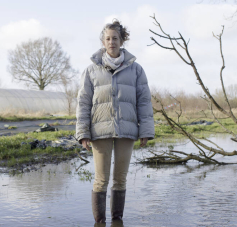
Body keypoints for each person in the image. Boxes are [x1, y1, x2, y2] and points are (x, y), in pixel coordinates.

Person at [76, 19, 155, 224]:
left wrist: (145, 130)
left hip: (127, 130)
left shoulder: (136, 70)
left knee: (120, 179)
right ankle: (100, 222)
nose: (111, 42)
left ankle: (117, 221)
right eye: (108, 38)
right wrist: (83, 133)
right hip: (99, 130)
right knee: (101, 180)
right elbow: (83, 102)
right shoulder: (91, 70)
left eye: (115, 38)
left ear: (122, 40)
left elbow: (144, 101)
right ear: (103, 41)